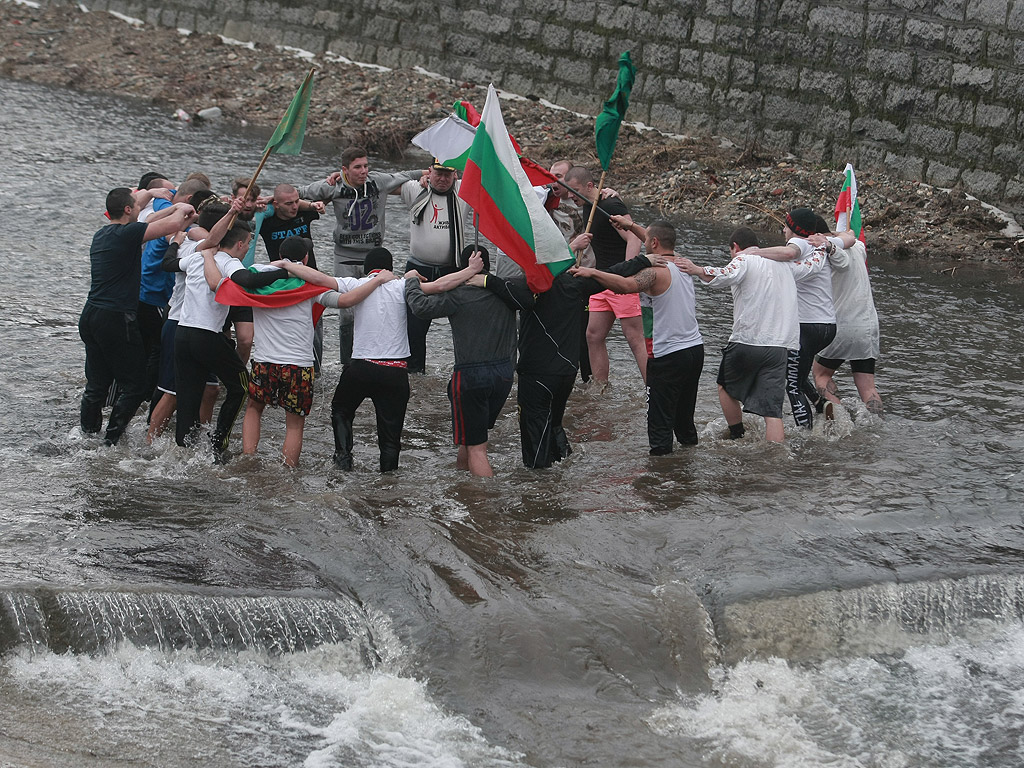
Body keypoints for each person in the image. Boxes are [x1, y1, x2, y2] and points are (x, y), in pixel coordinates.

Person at [279, 247, 482, 471]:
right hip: (395, 373)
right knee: (390, 438)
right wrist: (470, 270)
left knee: (341, 410)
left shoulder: (357, 284)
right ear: (390, 269)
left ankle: (344, 459)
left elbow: (321, 278)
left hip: (361, 369)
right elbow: (441, 285)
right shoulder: (402, 286)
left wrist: (289, 266)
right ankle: (388, 481)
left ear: (367, 271)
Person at [476, 236, 657, 467]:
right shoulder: (577, 283)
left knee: (534, 434)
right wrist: (644, 260)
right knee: (554, 424)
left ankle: (539, 486)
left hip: (537, 373)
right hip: (566, 373)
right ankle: (565, 468)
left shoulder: (527, 286)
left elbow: (503, 288)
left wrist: (482, 278)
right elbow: (615, 271)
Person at [573, 220, 704, 455]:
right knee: (684, 420)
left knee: (659, 425)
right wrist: (630, 225)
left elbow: (624, 286)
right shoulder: (683, 263)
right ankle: (688, 467)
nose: (643, 244)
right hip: (695, 349)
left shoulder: (653, 272)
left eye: (645, 241)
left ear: (653, 243)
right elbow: (658, 236)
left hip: (668, 355)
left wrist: (593, 272)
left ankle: (660, 482)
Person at [78, 187, 196, 444]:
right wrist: (184, 209)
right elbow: (173, 224)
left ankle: (86, 435)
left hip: (90, 315)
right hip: (116, 318)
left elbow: (146, 216)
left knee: (97, 384)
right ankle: (111, 441)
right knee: (135, 384)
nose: (141, 208)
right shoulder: (129, 233)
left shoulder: (103, 234)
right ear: (129, 210)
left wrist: (154, 193)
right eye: (136, 206)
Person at [675, 227, 804, 443]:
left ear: (735, 247)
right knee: (773, 411)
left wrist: (697, 269)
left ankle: (737, 434)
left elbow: (724, 274)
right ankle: (777, 464)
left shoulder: (744, 259)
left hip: (747, 340)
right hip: (780, 345)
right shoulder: (785, 265)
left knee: (724, 387)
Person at [297, 147, 422, 363]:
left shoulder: (378, 181)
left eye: (366, 166)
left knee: (379, 304)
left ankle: (376, 355)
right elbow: (299, 192)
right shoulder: (334, 186)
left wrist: (430, 174)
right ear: (345, 169)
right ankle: (348, 362)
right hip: (344, 255)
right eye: (358, 167)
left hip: (372, 256)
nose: (364, 171)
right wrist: (268, 198)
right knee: (346, 312)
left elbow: (409, 175)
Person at [174, 225, 289, 457]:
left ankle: (184, 450)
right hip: (206, 336)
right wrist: (285, 272)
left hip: (182, 333)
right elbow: (247, 278)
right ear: (239, 244)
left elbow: (169, 264)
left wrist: (198, 248)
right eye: (248, 243)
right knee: (241, 387)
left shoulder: (197, 257)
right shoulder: (228, 261)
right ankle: (219, 445)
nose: (247, 249)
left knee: (188, 394)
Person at [404, 247, 515, 477]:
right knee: (472, 435)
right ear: (489, 267)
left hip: (471, 376)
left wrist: (411, 283)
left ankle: (483, 504)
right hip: (504, 374)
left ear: (462, 270)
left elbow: (420, 308)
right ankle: (463, 483)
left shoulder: (458, 295)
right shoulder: (506, 293)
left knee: (477, 448)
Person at [239, 237, 326, 467]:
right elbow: (338, 294)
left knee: (254, 408)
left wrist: (279, 265)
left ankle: (248, 460)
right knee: (295, 424)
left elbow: (249, 275)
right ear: (306, 258)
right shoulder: (311, 284)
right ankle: (288, 471)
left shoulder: (258, 274)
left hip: (264, 361)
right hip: (299, 365)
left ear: (279, 254)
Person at [563, 166, 646, 390]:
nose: (571, 196)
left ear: (590, 186)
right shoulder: (589, 204)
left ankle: (653, 390)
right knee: (593, 335)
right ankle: (600, 388)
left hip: (621, 280)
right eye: (570, 191)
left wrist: (628, 272)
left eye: (575, 190)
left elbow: (635, 240)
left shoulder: (611, 204)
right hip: (600, 280)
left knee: (634, 338)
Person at [753, 208, 837, 428]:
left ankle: (806, 435)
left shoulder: (800, 243)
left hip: (806, 328)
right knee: (797, 373)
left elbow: (790, 253)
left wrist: (753, 253)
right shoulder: (819, 247)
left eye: (786, 226)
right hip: (827, 326)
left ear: (795, 229)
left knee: (792, 386)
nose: (783, 229)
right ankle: (819, 403)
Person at [400, 160, 469, 373]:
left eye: (448, 175)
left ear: (455, 175)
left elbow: (493, 181)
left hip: (454, 269)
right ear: (430, 172)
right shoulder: (415, 189)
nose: (442, 179)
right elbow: (386, 181)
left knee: (464, 327)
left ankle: (464, 370)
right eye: (438, 173)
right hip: (418, 270)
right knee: (413, 329)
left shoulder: (465, 190)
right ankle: (415, 374)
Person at [810, 228, 883, 415]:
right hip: (868, 324)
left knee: (820, 375)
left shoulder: (824, 252)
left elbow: (838, 258)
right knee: (867, 387)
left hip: (843, 324)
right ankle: (876, 425)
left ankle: (840, 418)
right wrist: (843, 235)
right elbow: (849, 241)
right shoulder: (858, 246)